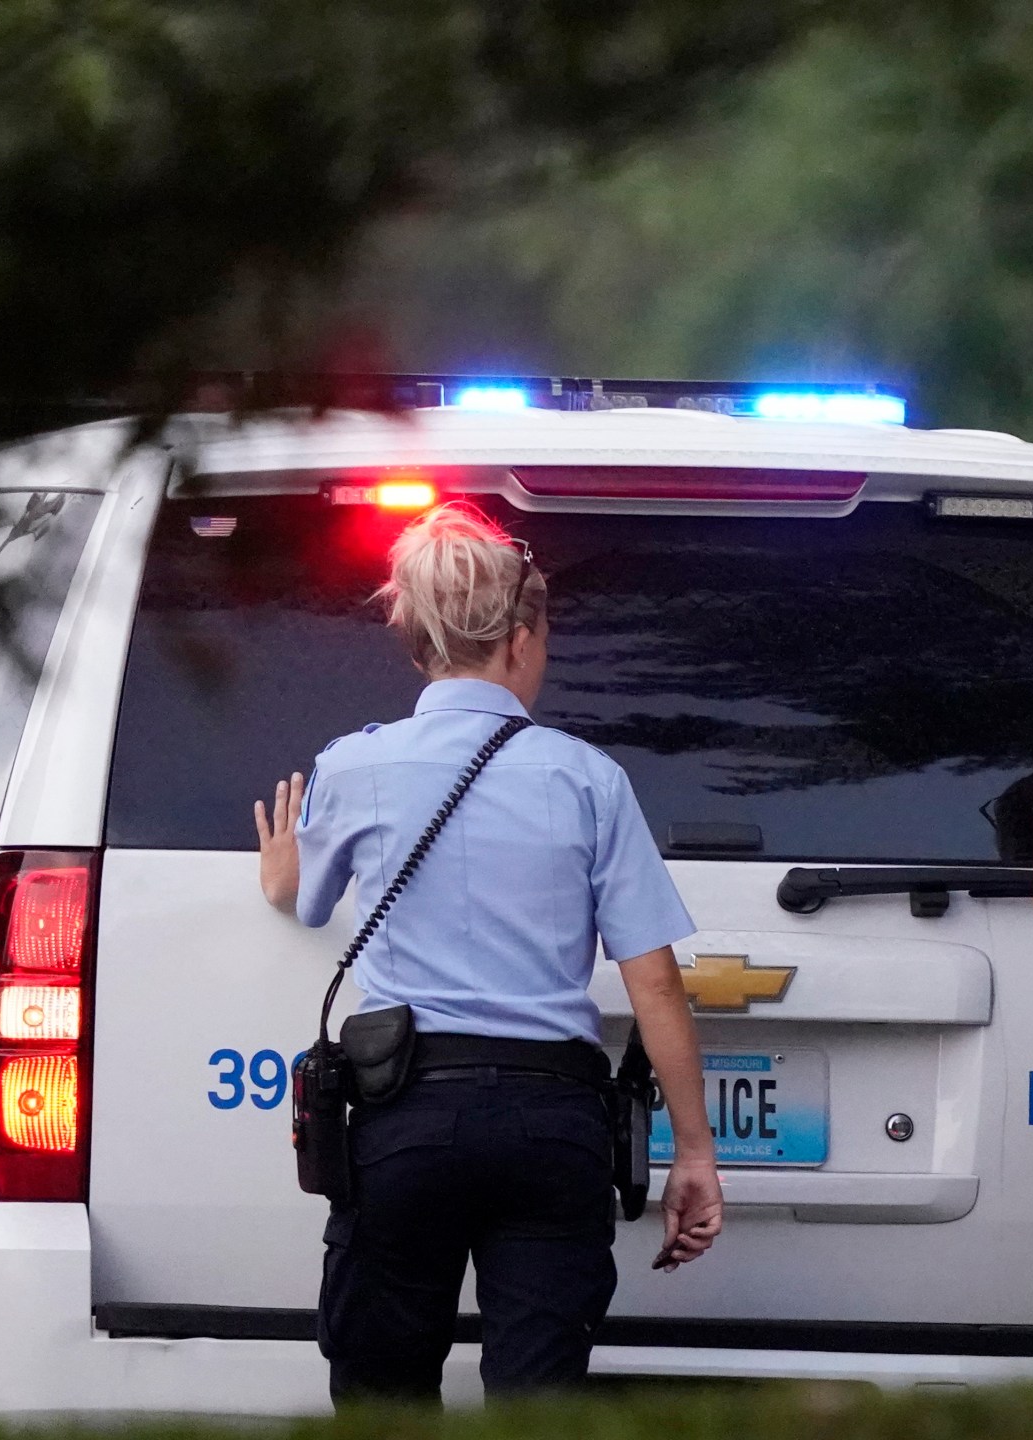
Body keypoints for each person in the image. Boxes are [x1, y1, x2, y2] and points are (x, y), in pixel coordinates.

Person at [251, 503, 726, 1402]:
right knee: (538, 1407)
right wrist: (693, 1153)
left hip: (403, 1121)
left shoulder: (354, 766)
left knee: (381, 1397)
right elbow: (655, 983)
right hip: (554, 1127)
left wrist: (280, 874)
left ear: (420, 644)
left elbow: (305, 901)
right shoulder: (589, 777)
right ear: (519, 639)